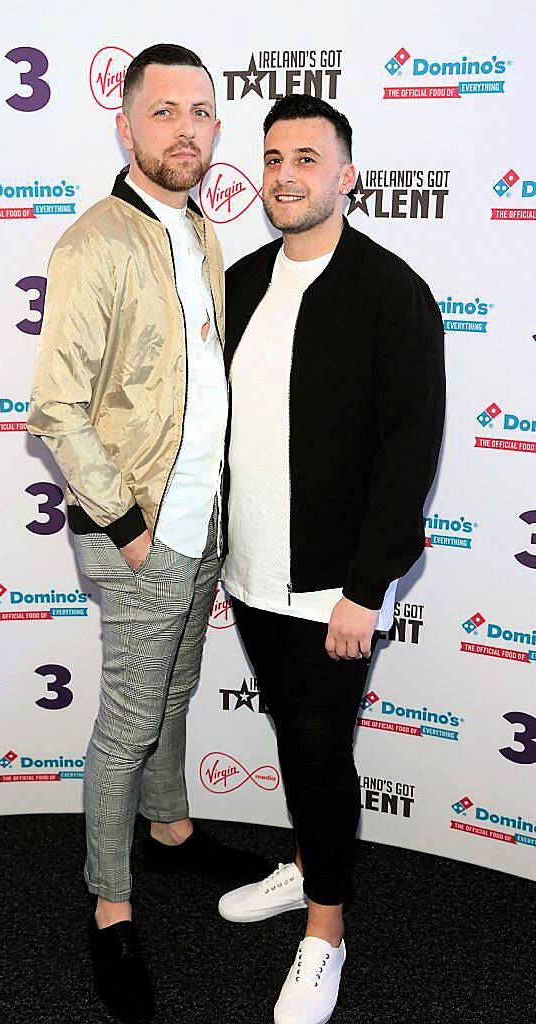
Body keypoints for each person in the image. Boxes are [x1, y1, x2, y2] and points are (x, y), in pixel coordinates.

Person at [27, 43, 266, 1024]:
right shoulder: (95, 243)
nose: (186, 128)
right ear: (125, 125)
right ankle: (110, 902)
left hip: (202, 512)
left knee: (172, 687)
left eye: (201, 111)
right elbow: (55, 407)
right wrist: (128, 530)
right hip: (140, 529)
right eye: (163, 110)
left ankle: (168, 830)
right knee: (127, 721)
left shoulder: (198, 225)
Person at [218, 94, 445, 1024]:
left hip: (337, 588)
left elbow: (409, 450)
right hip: (250, 571)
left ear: (347, 175)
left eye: (308, 157)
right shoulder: (237, 282)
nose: (285, 175)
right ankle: (309, 861)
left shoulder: (393, 292)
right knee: (295, 737)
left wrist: (366, 588)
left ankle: (325, 931)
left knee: (316, 751)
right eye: (273, 158)